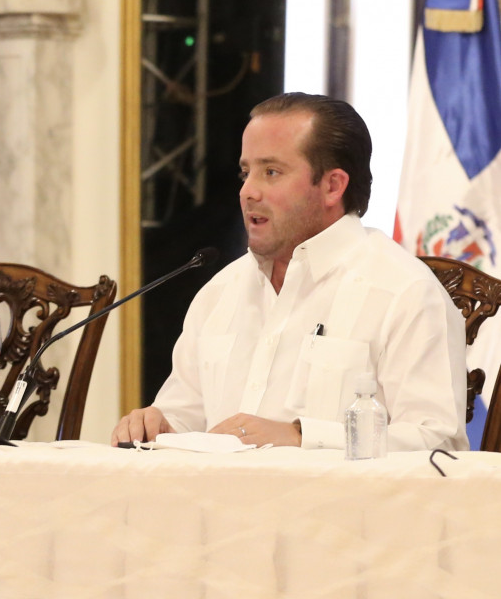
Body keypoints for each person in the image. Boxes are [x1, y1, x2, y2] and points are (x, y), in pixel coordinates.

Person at [112, 93, 468, 451]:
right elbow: (184, 414)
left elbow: (438, 444)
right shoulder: (220, 292)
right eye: (245, 172)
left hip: (329, 491)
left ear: (332, 186)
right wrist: (158, 424)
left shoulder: (403, 292)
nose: (248, 191)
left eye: (271, 172)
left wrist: (301, 437)